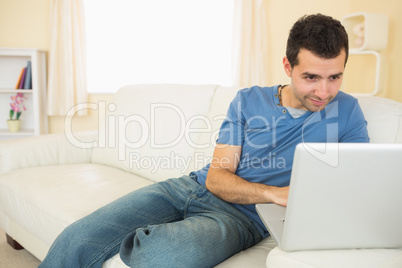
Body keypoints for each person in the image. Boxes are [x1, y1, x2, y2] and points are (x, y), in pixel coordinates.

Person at [39, 13, 369, 268]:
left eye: (334, 77)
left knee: (158, 255)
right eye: (311, 77)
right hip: (189, 188)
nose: (324, 92)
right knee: (77, 238)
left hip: (243, 218)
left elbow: (352, 188)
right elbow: (216, 177)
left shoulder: (348, 113)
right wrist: (274, 193)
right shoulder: (248, 100)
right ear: (288, 66)